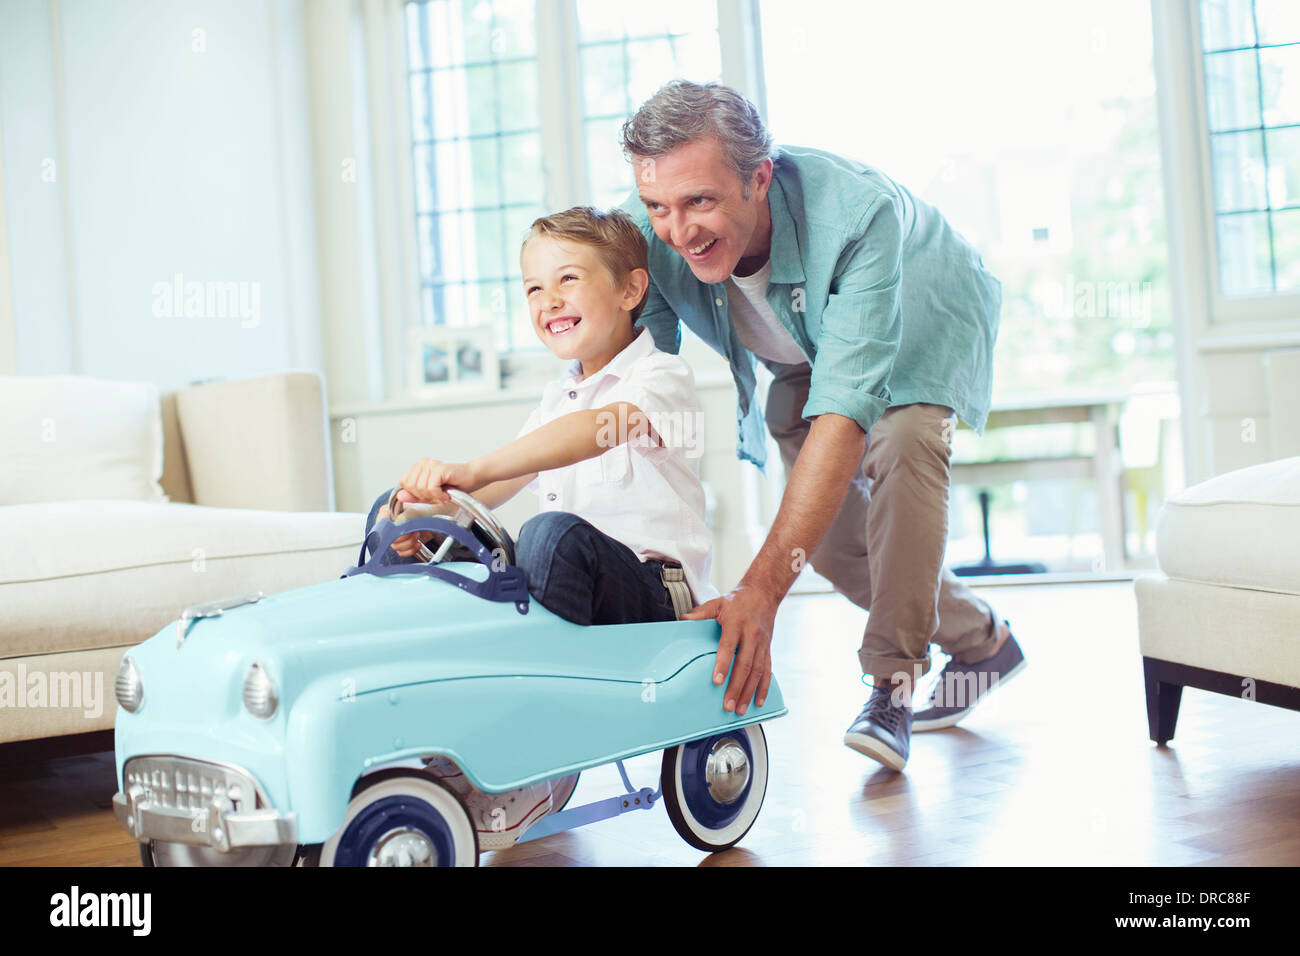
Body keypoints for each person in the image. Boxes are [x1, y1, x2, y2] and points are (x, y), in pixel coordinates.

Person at [617, 80, 1026, 773]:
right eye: (658, 206)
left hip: (921, 316)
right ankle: (983, 643)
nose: (678, 231)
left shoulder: (857, 217)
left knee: (902, 440)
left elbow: (845, 413)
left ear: (759, 178)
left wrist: (759, 591)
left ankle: (893, 684)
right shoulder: (645, 235)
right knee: (829, 545)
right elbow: (638, 380)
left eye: (700, 203)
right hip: (810, 345)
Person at [361, 206, 717, 848]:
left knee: (548, 535)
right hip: (578, 597)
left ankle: (539, 760)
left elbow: (591, 434)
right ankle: (453, 733)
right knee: (465, 559)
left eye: (568, 280)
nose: (548, 300)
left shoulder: (661, 377)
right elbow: (493, 491)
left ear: (632, 291)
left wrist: (469, 467)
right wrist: (422, 511)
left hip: (653, 601)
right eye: (533, 288)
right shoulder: (556, 398)